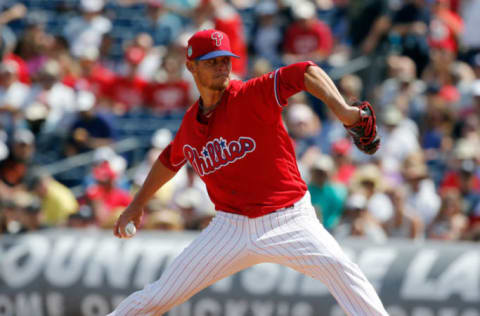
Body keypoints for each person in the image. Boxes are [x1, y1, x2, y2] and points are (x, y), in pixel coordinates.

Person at [108, 29, 385, 316]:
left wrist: (342, 110)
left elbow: (304, 71)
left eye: (225, 60)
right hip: (230, 228)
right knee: (159, 295)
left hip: (288, 219)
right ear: (191, 66)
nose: (221, 67)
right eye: (211, 62)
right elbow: (170, 159)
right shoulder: (191, 122)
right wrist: (137, 204)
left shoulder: (252, 94)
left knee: (341, 270)